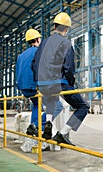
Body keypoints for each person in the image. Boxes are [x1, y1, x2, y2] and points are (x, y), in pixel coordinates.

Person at [32, 12, 90, 146]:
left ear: (54, 26)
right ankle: (63, 133)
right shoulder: (65, 43)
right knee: (83, 106)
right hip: (59, 82)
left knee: (51, 102)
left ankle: (48, 124)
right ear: (66, 29)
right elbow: (69, 66)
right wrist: (70, 82)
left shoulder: (44, 43)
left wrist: (38, 82)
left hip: (42, 84)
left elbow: (35, 63)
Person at [16, 29, 64, 136]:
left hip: (24, 88)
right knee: (57, 105)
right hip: (35, 86)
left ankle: (33, 127)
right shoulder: (40, 52)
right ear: (38, 39)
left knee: (37, 104)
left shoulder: (21, 56)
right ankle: (38, 125)